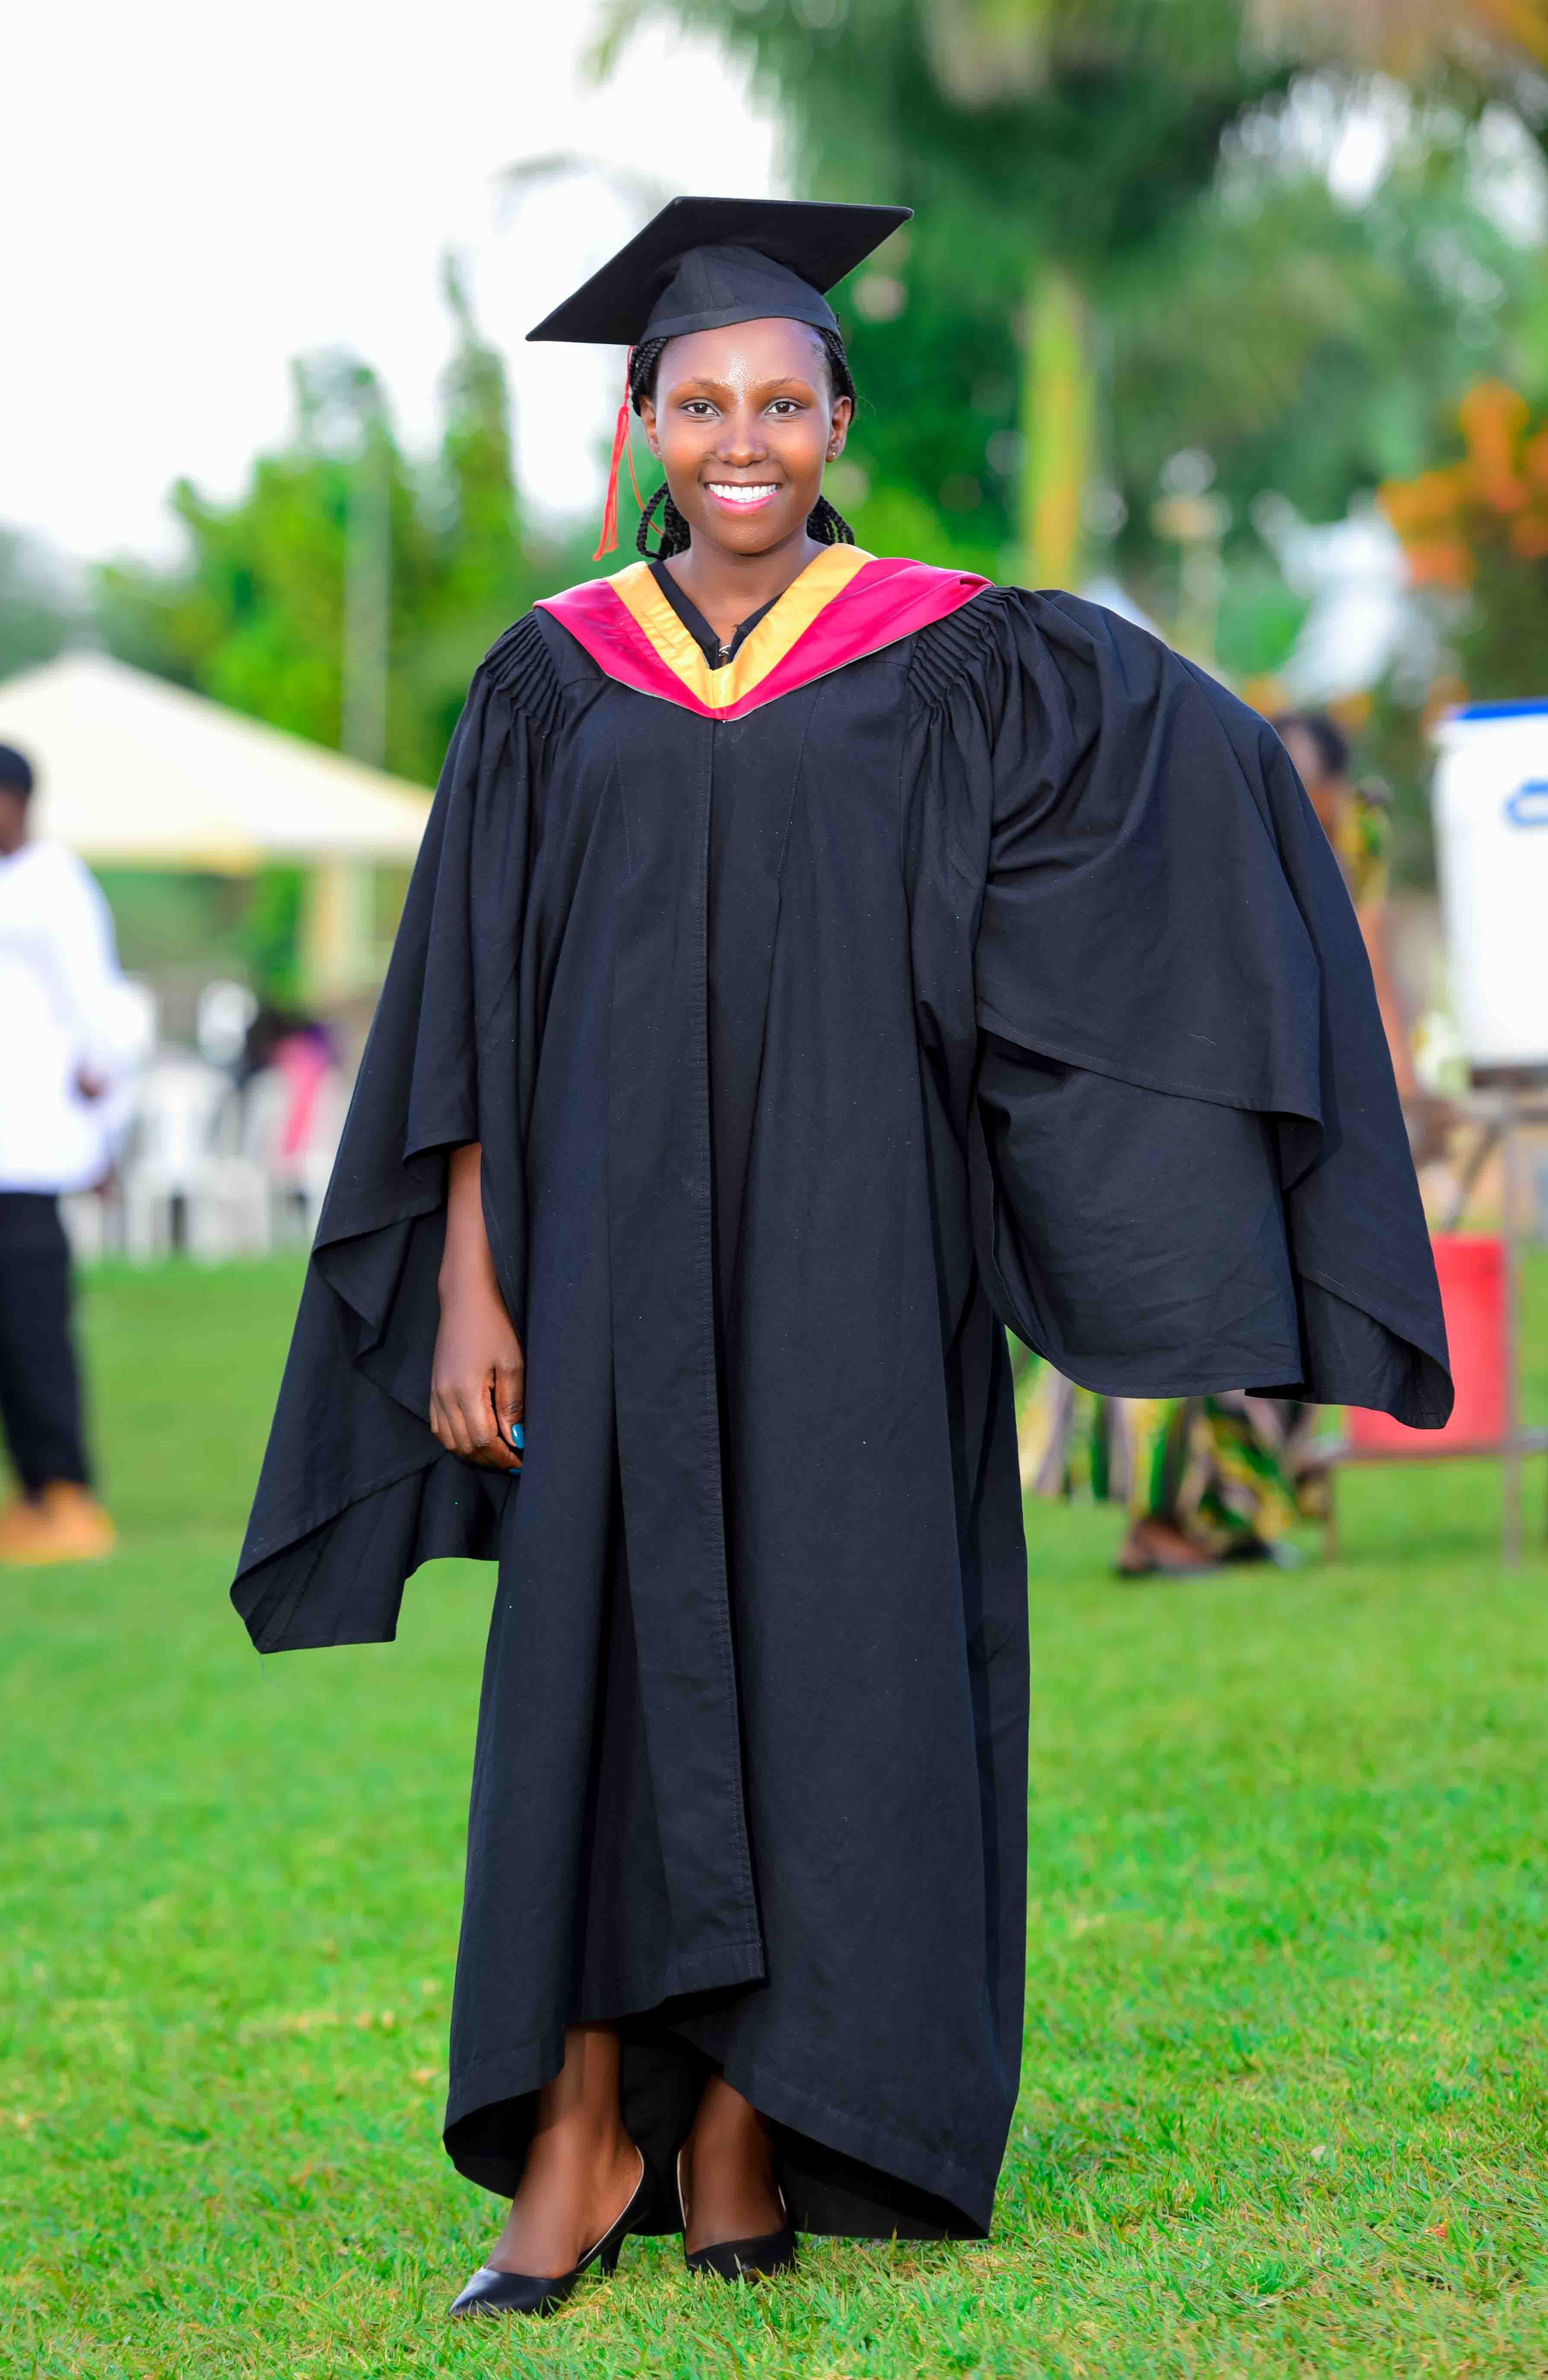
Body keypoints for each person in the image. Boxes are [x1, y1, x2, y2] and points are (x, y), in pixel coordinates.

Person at [232, 196, 1450, 2317]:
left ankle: (748, 2124)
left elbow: (1192, 788)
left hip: (867, 1259)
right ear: (640, 421)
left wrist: (1276, 849)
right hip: (596, 1267)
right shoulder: (548, 678)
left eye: (782, 404)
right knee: (599, 1669)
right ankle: (579, 2125)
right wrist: (469, 1281)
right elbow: (462, 1008)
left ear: (837, 423)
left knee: (839, 1670)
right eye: (702, 402)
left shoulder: (954, 653)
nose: (744, 440)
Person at [0, 742, 148, 1564]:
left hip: (32, 1151)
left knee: (33, 1333)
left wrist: (105, 1135)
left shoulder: (55, 885)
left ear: (16, 801)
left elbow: (102, 1015)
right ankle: (31, 1494)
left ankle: (67, 1493)